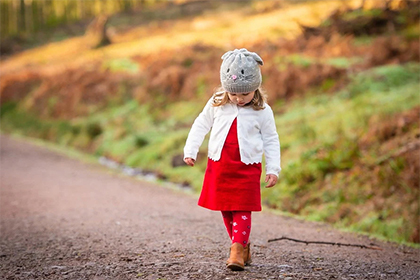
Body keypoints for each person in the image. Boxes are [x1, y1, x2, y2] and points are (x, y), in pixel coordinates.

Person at [183, 48, 281, 271]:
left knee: (243, 206)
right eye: (234, 94)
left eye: (244, 94)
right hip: (221, 163)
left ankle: (236, 249)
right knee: (226, 207)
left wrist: (273, 168)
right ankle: (242, 246)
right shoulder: (218, 101)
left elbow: (271, 139)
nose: (238, 99)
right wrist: (191, 150)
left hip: (247, 166)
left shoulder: (263, 110)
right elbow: (201, 124)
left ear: (255, 88)